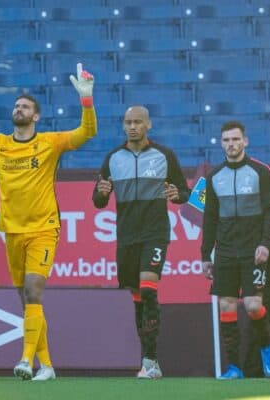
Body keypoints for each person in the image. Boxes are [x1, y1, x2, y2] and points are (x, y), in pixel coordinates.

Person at [0, 63, 96, 381]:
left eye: (25, 106)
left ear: (36, 116)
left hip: (43, 229)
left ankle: (26, 360)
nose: (19, 108)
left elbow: (87, 133)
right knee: (27, 300)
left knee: (33, 291)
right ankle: (48, 366)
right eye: (16, 105)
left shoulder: (50, 143)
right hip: (11, 231)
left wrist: (87, 99)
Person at [92, 106, 190, 379]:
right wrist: (101, 193)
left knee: (148, 288)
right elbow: (98, 201)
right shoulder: (113, 157)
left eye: (137, 122)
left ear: (149, 125)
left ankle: (150, 360)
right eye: (128, 122)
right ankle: (149, 360)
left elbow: (187, 192)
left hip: (155, 232)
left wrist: (177, 195)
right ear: (123, 126)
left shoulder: (164, 155)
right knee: (136, 297)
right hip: (126, 236)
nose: (132, 126)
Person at [201, 121, 270, 379]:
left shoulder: (261, 171)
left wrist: (265, 243)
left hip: (253, 250)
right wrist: (205, 255)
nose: (231, 144)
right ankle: (234, 367)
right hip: (224, 251)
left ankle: (266, 347)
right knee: (226, 305)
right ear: (221, 143)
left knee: (254, 306)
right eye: (226, 140)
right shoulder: (213, 177)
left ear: (245, 141)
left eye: (235, 139)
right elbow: (209, 218)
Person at [243, 155, 270, 377]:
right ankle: (253, 369)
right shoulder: (261, 194)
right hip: (265, 262)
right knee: (260, 316)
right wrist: (266, 233)